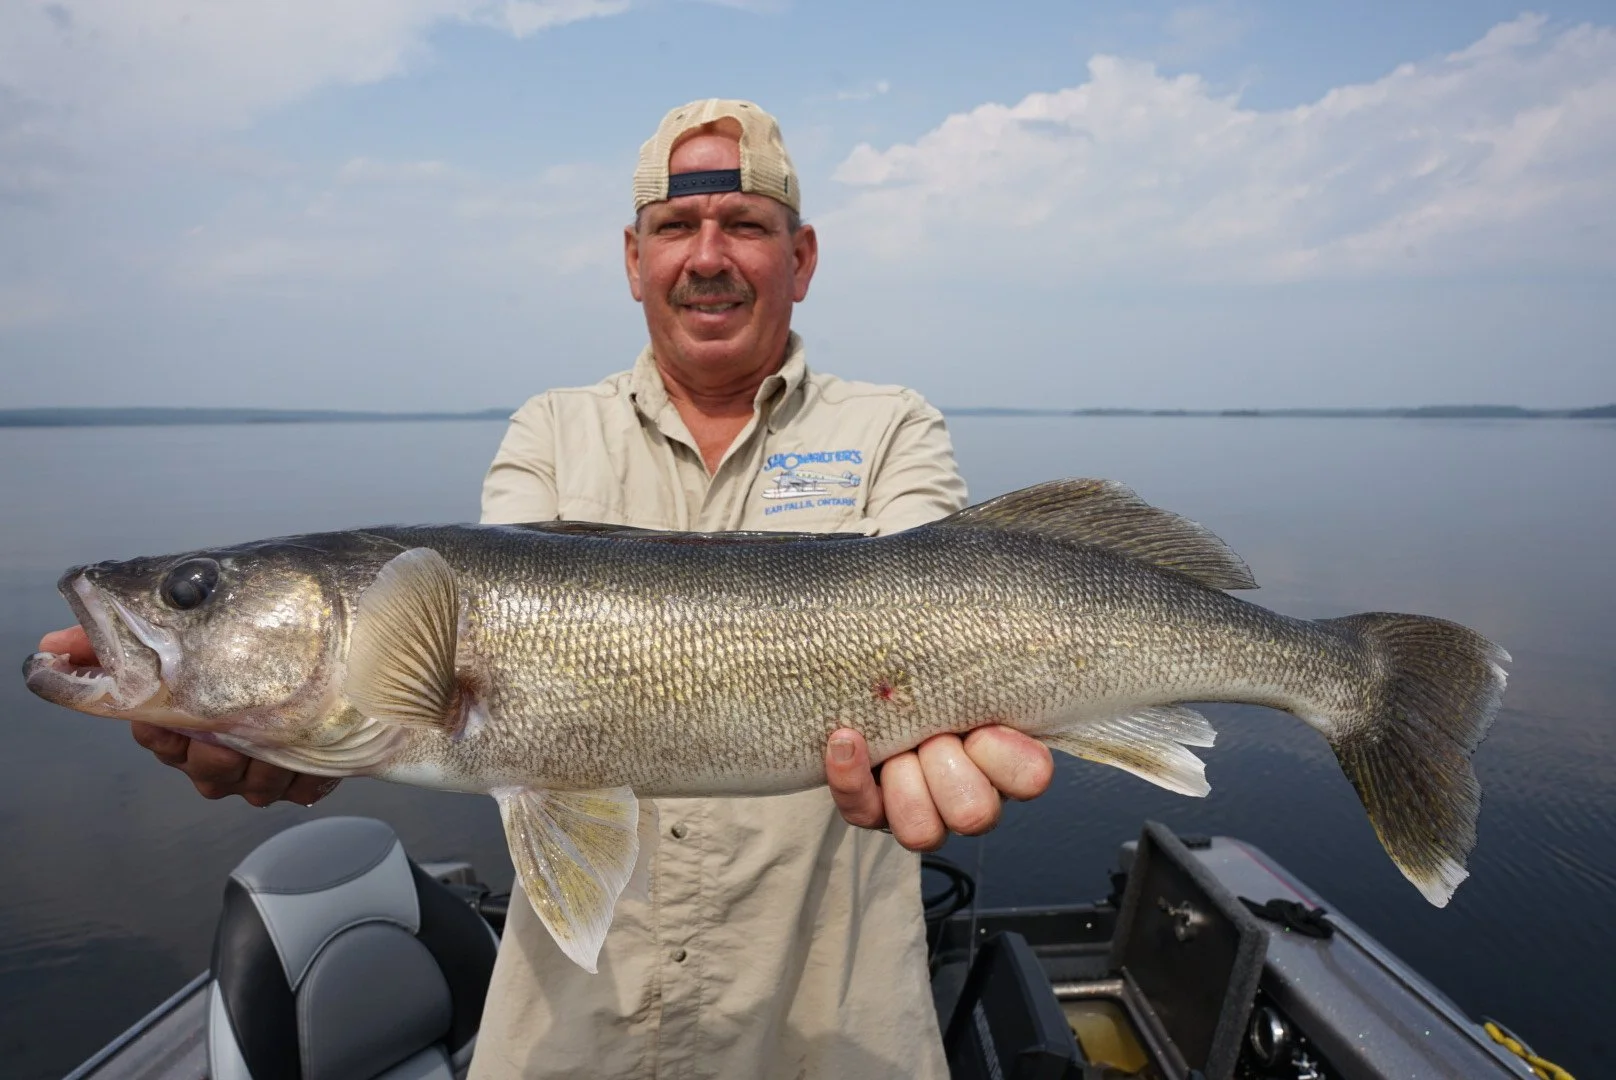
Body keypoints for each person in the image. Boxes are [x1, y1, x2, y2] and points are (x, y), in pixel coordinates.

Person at [39, 99, 1055, 1078]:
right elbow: (441, 696)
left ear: (801, 258)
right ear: (632, 259)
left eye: (744, 224)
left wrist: (946, 726)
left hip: (832, 1019)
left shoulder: (892, 426)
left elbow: (942, 583)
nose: (707, 256)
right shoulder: (549, 431)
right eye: (675, 227)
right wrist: (307, 741)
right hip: (580, 1024)